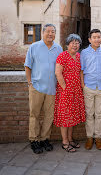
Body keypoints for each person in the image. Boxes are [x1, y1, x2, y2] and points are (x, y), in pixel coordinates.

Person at [25, 24, 63, 154]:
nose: (50, 34)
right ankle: (34, 140)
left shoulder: (59, 48)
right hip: (36, 87)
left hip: (52, 88)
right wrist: (30, 82)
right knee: (34, 115)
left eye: (53, 32)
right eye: (48, 31)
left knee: (49, 116)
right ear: (43, 33)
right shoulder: (34, 47)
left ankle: (44, 139)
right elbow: (27, 65)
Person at [53, 34, 85, 153]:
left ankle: (71, 139)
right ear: (67, 44)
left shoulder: (78, 56)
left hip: (76, 90)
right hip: (65, 91)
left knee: (72, 116)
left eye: (77, 43)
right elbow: (58, 73)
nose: (75, 45)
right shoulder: (62, 56)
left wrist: (81, 87)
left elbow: (81, 72)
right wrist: (65, 88)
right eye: (72, 42)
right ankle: (65, 142)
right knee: (65, 116)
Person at [80, 29, 101, 150]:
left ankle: (98, 137)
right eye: (94, 37)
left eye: (99, 37)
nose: (97, 39)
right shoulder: (84, 53)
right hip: (89, 86)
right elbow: (81, 70)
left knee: (99, 113)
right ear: (90, 40)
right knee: (89, 113)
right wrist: (83, 85)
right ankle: (89, 137)